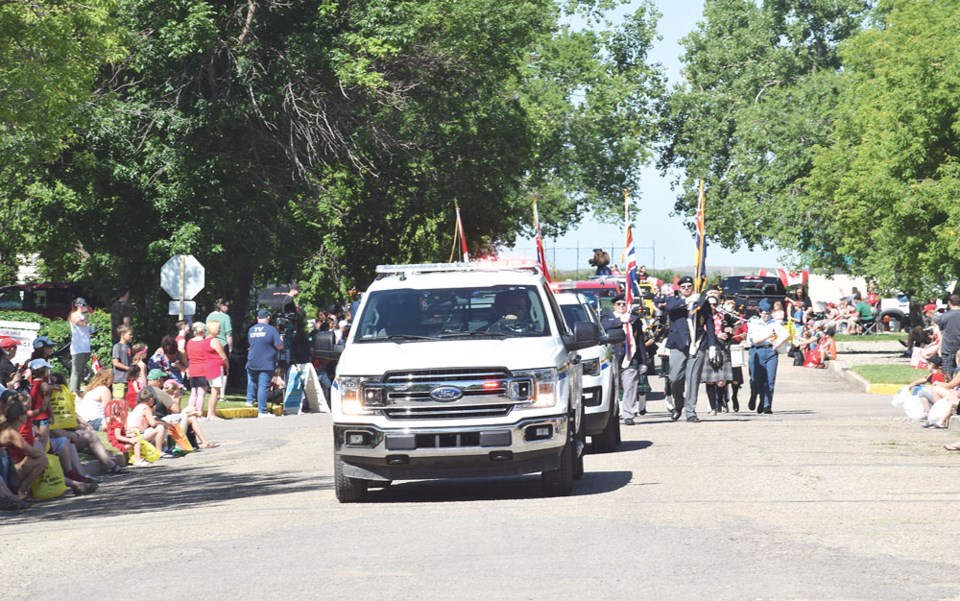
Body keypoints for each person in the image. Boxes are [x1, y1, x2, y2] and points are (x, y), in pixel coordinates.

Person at [663, 276, 717, 423]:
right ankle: (679, 404)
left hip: (698, 343)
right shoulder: (674, 300)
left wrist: (712, 345)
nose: (687, 289)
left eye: (689, 286)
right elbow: (669, 308)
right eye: (684, 287)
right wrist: (686, 302)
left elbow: (709, 322)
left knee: (693, 379)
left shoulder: (701, 302)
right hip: (678, 344)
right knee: (675, 378)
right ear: (680, 289)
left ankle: (690, 412)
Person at [601, 295, 648, 425]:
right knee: (611, 389)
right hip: (612, 358)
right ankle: (611, 414)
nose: (622, 306)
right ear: (614, 305)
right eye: (619, 304)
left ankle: (628, 415)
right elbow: (604, 326)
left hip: (630, 357)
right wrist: (620, 321)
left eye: (624, 304)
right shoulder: (607, 317)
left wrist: (643, 361)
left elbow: (640, 342)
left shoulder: (634, 319)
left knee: (630, 388)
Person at [745, 298, 789, 414]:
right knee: (756, 380)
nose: (766, 316)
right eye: (764, 314)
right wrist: (767, 335)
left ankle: (767, 405)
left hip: (770, 352)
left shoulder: (775, 323)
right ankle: (755, 395)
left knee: (770, 380)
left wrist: (777, 344)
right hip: (757, 352)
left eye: (768, 314)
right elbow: (754, 340)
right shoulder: (754, 323)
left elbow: (786, 334)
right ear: (760, 313)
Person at [246, 309, 284, 417]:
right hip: (266, 362)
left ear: (258, 318)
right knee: (263, 386)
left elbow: (250, 343)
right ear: (268, 318)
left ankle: (249, 400)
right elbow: (279, 346)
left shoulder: (251, 329)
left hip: (252, 360)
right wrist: (281, 340)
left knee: (252, 381)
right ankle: (262, 411)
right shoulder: (272, 330)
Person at [203, 320, 229, 421]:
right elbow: (223, 356)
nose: (220, 330)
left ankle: (210, 413)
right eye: (218, 328)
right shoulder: (214, 341)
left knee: (214, 390)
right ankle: (212, 414)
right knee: (215, 391)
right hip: (216, 367)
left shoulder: (205, 340)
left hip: (209, 366)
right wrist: (227, 365)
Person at [185, 321, 210, 415]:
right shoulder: (205, 342)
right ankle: (199, 413)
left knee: (193, 392)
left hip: (192, 368)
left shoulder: (189, 342)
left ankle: (190, 411)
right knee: (201, 393)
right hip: (203, 369)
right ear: (203, 331)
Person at [68, 297, 92, 393]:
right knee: (76, 371)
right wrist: (86, 313)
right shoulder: (74, 315)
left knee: (82, 370)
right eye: (84, 305)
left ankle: (78, 389)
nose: (85, 307)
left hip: (85, 347)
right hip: (77, 348)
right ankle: (73, 390)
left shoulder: (84, 315)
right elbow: (81, 323)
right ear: (78, 306)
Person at [937, 295, 960, 378]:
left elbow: (941, 329)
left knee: (947, 375)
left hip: (948, 348)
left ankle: (947, 389)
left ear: (949, 303)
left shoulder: (944, 316)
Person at [111, 325, 133, 399]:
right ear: (123, 335)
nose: (131, 336)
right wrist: (128, 368)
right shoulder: (117, 346)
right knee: (118, 401)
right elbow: (115, 363)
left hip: (127, 379)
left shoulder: (128, 347)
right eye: (130, 334)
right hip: (119, 380)